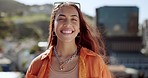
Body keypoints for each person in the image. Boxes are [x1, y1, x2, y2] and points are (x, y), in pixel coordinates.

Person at [25, 2, 113, 78]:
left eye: (74, 19)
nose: (67, 23)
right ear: (53, 26)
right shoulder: (37, 64)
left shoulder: (95, 62)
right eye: (61, 18)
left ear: (79, 28)